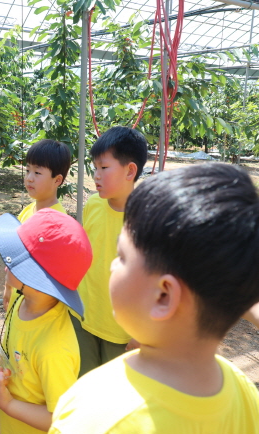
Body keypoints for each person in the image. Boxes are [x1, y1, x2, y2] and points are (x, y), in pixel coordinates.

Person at [50, 162, 259, 433]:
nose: (111, 266)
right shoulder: (245, 395)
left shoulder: (90, 412)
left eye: (122, 257)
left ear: (164, 296)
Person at [0, 208, 93, 434]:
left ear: (35, 277)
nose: (5, 264)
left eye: (15, 260)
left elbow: (61, 419)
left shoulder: (54, 349)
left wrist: (8, 404)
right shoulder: (21, 301)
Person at [71, 126, 147, 376]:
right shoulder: (93, 204)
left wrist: (142, 332)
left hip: (122, 332)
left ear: (130, 170)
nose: (96, 175)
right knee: (84, 386)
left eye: (104, 168)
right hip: (83, 317)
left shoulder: (147, 219)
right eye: (95, 168)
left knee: (114, 396)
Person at [2, 139, 72, 310]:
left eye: (37, 173)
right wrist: (7, 287)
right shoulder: (28, 211)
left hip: (38, 309)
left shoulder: (58, 225)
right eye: (27, 170)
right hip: (18, 302)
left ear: (57, 180)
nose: (29, 178)